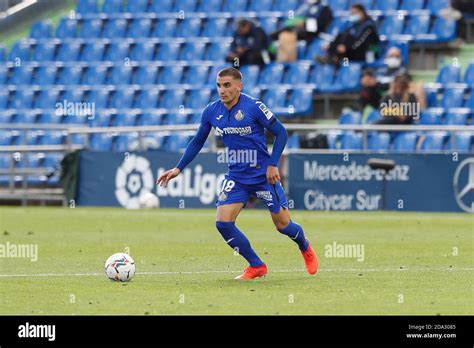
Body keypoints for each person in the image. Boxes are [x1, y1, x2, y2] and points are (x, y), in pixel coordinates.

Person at [157, 67, 318, 280]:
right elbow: (198, 141)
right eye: (218, 85)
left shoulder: (254, 107)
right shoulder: (211, 111)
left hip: (263, 176)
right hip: (237, 177)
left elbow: (281, 133)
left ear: (238, 86)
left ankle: (304, 245)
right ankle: (257, 265)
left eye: (226, 85)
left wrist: (272, 164)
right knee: (223, 223)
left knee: (283, 226)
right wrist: (178, 168)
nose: (221, 90)